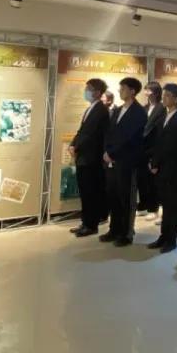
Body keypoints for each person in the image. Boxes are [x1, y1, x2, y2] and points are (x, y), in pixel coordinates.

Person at [146, 83, 177, 253]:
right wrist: (153, 161)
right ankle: (163, 236)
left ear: (176, 99)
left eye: (168, 95)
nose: (164, 98)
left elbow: (170, 146)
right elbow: (158, 143)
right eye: (164, 95)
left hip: (172, 168)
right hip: (162, 167)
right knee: (166, 204)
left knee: (173, 205)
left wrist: (156, 163)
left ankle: (171, 239)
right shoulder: (166, 117)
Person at [100, 77, 148, 246]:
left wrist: (112, 152)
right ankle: (114, 229)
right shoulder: (118, 110)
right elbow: (110, 133)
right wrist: (106, 151)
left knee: (126, 197)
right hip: (112, 160)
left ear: (132, 91)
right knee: (113, 195)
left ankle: (126, 233)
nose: (120, 91)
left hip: (127, 161)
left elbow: (130, 137)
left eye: (123, 88)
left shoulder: (139, 112)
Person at [69, 78, 110, 237]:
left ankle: (91, 225)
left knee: (91, 192)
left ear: (97, 92)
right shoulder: (90, 109)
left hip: (92, 158)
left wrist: (76, 146)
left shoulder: (101, 110)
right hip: (84, 157)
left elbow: (90, 134)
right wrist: (73, 144)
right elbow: (81, 131)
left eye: (89, 89)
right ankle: (85, 222)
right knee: (85, 192)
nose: (86, 91)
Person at [137, 82, 165, 222]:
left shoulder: (162, 108)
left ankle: (153, 208)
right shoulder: (144, 108)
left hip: (153, 147)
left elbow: (159, 131)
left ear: (156, 92)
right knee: (142, 179)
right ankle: (144, 205)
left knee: (152, 181)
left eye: (149, 90)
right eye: (146, 90)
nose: (146, 93)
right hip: (142, 148)